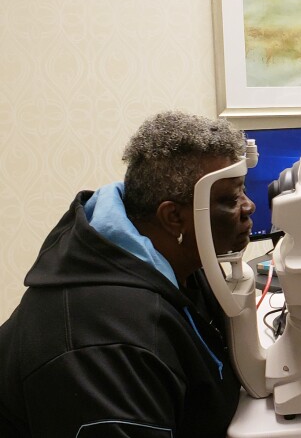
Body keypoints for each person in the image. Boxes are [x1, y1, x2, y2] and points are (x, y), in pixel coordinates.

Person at [0, 111, 256, 437]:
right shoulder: (107, 344)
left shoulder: (180, 262)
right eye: (232, 198)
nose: (249, 207)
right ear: (174, 217)